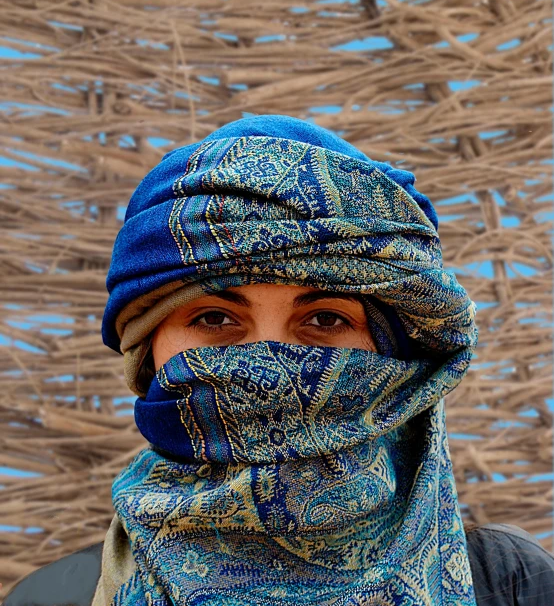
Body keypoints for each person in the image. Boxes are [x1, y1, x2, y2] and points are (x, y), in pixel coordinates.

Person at [4, 115, 554, 606]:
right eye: (215, 320)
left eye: (325, 321)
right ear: (148, 348)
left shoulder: (512, 586)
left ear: (394, 357)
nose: (267, 363)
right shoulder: (60, 597)